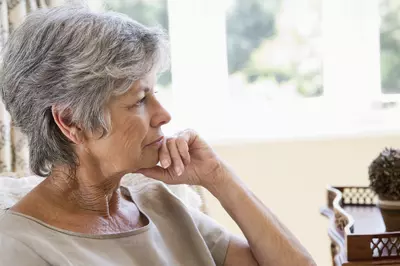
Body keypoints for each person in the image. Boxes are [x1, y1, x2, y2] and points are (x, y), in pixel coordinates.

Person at [0, 5, 316, 266]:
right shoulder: (18, 247)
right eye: (139, 99)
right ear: (72, 121)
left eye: (155, 93)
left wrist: (218, 176)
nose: (163, 114)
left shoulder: (159, 204)